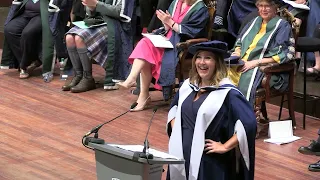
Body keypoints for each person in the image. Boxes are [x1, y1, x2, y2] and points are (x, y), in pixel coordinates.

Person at [166, 41, 256, 180]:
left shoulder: (228, 93)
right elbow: (174, 108)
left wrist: (225, 146)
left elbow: (248, 124)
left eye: (208, 58)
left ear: (217, 63)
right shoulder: (188, 86)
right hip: (181, 152)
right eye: (198, 57)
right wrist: (177, 129)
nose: (201, 62)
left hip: (208, 161)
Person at [118, 0, 209, 110]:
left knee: (147, 51)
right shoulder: (176, 2)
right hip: (167, 39)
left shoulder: (200, 9)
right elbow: (168, 28)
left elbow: (191, 32)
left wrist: (170, 22)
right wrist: (165, 22)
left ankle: (143, 94)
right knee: (144, 43)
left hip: (181, 46)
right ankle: (134, 81)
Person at [229, 0, 295, 104]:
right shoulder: (254, 22)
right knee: (220, 71)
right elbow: (240, 41)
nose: (263, 9)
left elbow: (283, 54)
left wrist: (255, 62)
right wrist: (237, 53)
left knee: (241, 75)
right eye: (260, 5)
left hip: (264, 69)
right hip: (242, 62)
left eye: (267, 6)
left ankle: (242, 114)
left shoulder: (282, 26)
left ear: (275, 7)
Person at [62, 0, 134, 93]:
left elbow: (121, 13)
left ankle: (88, 78)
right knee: (69, 38)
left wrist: (96, 4)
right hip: (97, 21)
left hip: (116, 24)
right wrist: (90, 6)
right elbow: (91, 14)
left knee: (79, 39)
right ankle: (79, 75)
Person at [1, 0, 72, 80]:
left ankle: (24, 65)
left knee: (28, 32)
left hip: (42, 14)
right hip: (26, 12)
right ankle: (31, 60)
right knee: (10, 29)